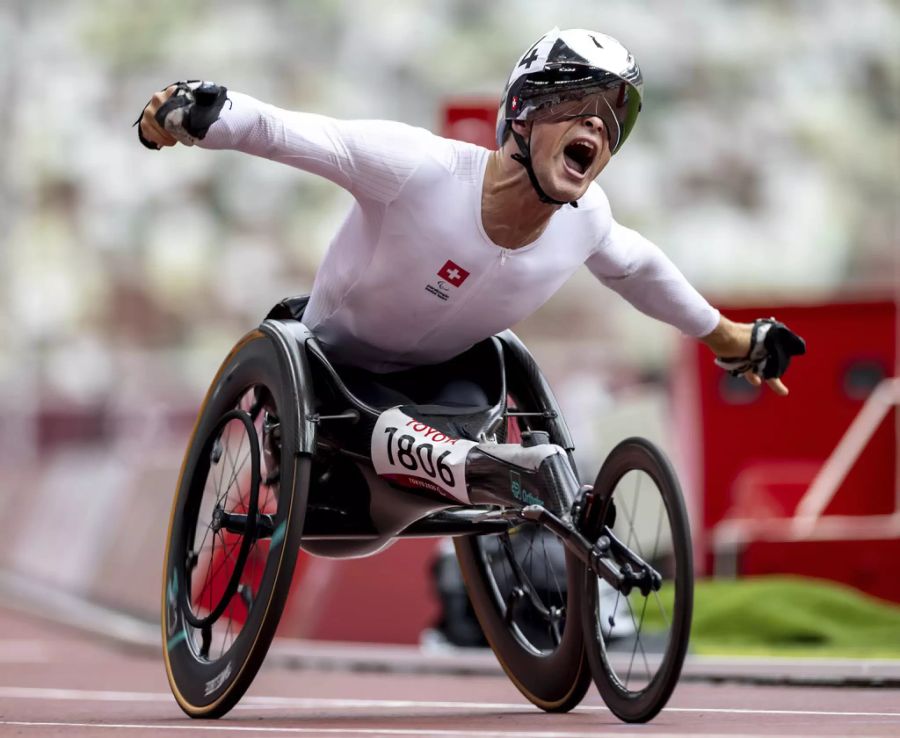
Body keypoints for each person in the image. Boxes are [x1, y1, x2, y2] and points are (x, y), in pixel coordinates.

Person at [137, 27, 805, 399]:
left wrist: (732, 340)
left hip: (444, 392)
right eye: (576, 106)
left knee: (533, 455)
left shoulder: (588, 218)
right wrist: (200, 116)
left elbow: (640, 269)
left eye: (612, 119)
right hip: (326, 372)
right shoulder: (417, 168)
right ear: (520, 113)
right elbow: (291, 133)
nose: (597, 128)